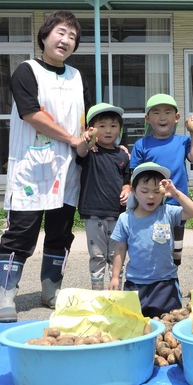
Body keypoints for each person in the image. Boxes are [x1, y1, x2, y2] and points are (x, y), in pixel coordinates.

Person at [0, 11, 90, 323]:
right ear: (45, 35)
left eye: (72, 37)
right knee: (20, 231)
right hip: (31, 167)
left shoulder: (77, 76)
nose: (65, 40)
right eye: (60, 33)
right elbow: (31, 113)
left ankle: (51, 290)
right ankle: (5, 294)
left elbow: (85, 117)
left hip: (67, 169)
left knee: (61, 231)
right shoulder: (27, 70)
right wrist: (71, 138)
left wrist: (88, 140)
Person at [109, 162, 193, 318]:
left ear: (163, 193)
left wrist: (175, 193)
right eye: (145, 191)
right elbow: (120, 249)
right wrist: (115, 276)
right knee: (134, 325)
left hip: (165, 283)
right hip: (135, 283)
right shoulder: (125, 218)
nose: (151, 196)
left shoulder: (167, 213)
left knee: (169, 324)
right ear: (134, 192)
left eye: (157, 191)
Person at [130, 93, 193, 266]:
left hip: (177, 207)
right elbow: (134, 175)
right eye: (156, 112)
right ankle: (152, 281)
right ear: (147, 118)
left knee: (175, 251)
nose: (162, 117)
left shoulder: (183, 141)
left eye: (168, 112)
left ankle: (171, 282)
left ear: (177, 117)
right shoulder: (142, 144)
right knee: (152, 247)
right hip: (150, 205)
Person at [75, 103, 131, 290]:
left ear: (120, 129)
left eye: (113, 126)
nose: (108, 130)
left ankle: (116, 293)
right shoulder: (90, 151)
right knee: (97, 255)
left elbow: (126, 179)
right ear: (91, 129)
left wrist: (127, 188)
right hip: (93, 213)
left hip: (117, 213)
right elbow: (80, 152)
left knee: (116, 255)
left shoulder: (122, 155)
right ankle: (97, 293)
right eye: (102, 126)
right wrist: (86, 140)